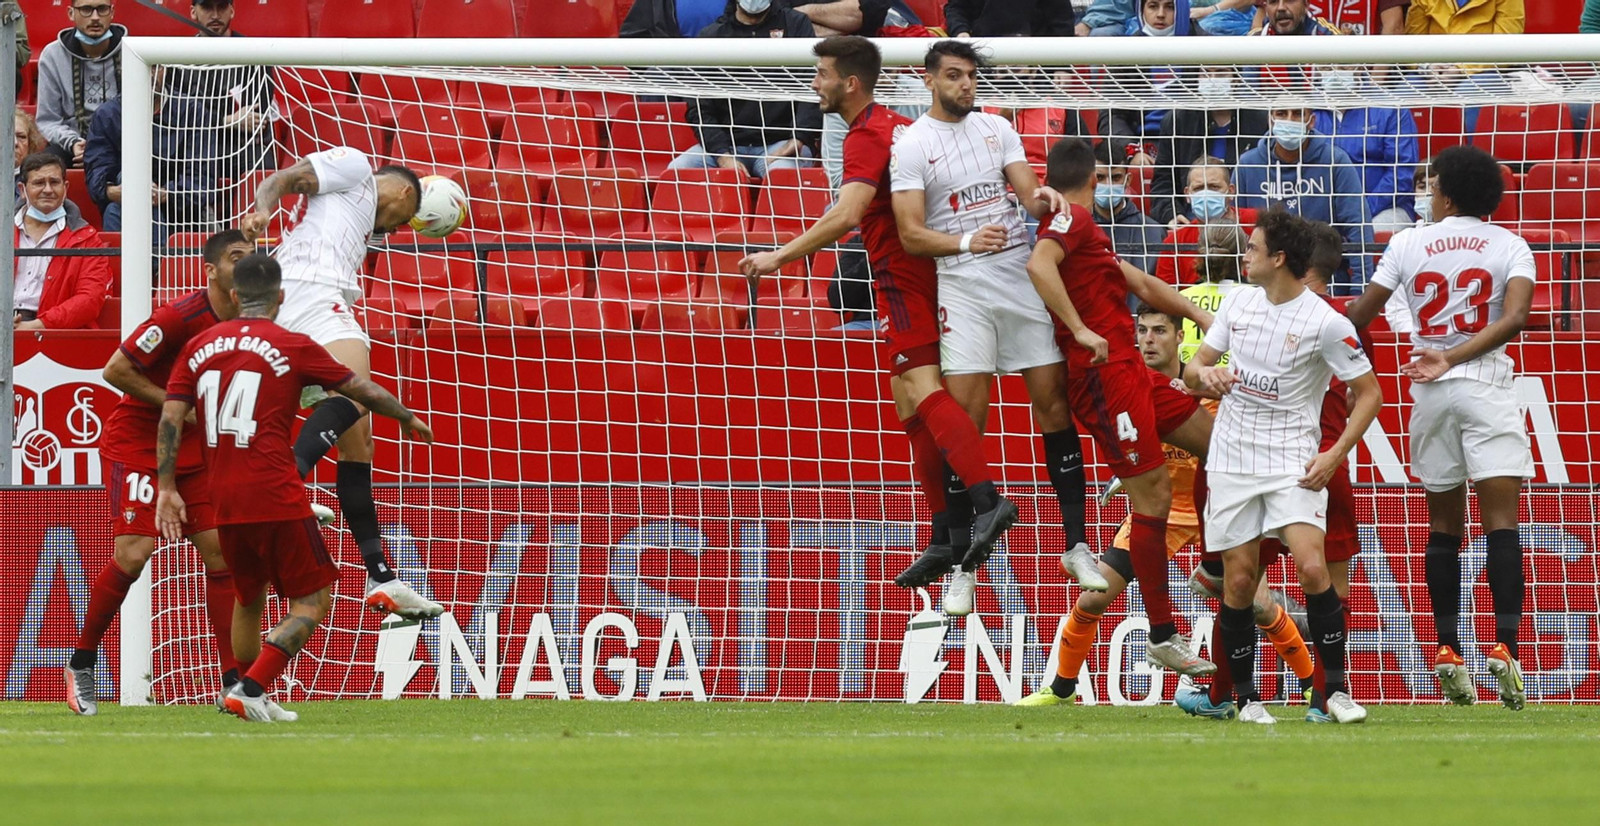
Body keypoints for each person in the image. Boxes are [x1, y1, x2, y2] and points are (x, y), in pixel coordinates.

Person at [742, 36, 1018, 590]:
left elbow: (847, 214)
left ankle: (988, 501)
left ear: (849, 83)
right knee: (907, 401)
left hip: (901, 273)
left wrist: (778, 256)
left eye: (821, 74)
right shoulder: (897, 125)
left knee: (921, 387)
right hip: (926, 270)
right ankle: (944, 533)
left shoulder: (866, 135)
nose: (815, 84)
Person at [156, 253, 435, 722]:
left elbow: (169, 417)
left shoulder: (199, 345)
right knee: (314, 599)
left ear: (235, 296)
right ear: (281, 297)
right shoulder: (292, 344)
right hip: (275, 491)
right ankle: (252, 689)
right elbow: (359, 390)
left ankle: (243, 689)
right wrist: (405, 415)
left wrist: (166, 486)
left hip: (221, 493)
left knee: (249, 598)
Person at [889, 40, 1106, 617]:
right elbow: (910, 234)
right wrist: (965, 240)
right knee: (966, 422)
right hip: (961, 285)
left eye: (970, 76)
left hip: (1016, 277)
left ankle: (1077, 545)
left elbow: (1028, 194)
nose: (965, 85)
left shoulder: (997, 127)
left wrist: (1045, 198)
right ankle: (964, 567)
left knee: (1053, 405)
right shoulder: (912, 145)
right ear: (929, 79)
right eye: (953, 75)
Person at [1018, 303, 1316, 707]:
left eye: (1159, 330)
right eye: (1142, 331)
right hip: (1161, 512)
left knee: (1260, 606)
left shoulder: (1206, 387)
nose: (1148, 340)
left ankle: (1312, 682)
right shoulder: (1127, 389)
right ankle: (1061, 688)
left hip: (1216, 511)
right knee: (1093, 598)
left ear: (1180, 337)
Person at [1344, 145, 1535, 711]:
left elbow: (1361, 314)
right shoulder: (1511, 244)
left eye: (1431, 188)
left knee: (1443, 526)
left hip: (1428, 390)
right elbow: (1516, 318)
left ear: (1446, 195)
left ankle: (1448, 647)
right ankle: (1505, 645)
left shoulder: (1407, 243)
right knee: (1501, 522)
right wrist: (1455, 356)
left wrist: (1338, 357)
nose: (1427, 195)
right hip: (1486, 384)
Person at [1023, 137, 1222, 678]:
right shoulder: (1071, 221)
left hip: (1131, 371)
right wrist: (1079, 328)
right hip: (1104, 378)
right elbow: (1039, 265)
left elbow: (1139, 281)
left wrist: (1201, 317)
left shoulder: (1087, 232)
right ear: (1093, 179)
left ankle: (1210, 565)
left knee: (1220, 447)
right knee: (1154, 496)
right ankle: (1162, 634)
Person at [1184, 211, 1382, 725]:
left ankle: (1334, 692)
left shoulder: (1326, 322)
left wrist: (1334, 454)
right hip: (1232, 459)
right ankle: (1246, 700)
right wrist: (1207, 375)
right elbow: (1194, 368)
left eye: (1253, 248)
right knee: (1238, 582)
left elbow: (1370, 394)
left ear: (1278, 259)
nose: (1244, 255)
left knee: (1313, 568)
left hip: (1293, 459)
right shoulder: (1238, 303)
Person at [239, 147, 443, 620]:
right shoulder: (356, 168)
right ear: (404, 193)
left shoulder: (362, 220)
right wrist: (263, 209)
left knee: (358, 443)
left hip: (301, 299)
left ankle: (380, 576)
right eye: (403, 220)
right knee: (358, 395)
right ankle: (284, 487)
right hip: (310, 292)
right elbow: (285, 178)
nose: (395, 230)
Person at [62, 231, 253, 718]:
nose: (246, 264)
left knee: (220, 551)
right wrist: (176, 404)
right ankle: (80, 663)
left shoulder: (251, 322)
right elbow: (115, 370)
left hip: (195, 450)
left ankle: (232, 682)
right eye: (236, 257)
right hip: (138, 444)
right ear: (210, 270)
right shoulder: (177, 318)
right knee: (134, 552)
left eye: (251, 257)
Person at [666, 2, 821, 178]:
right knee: (677, 170)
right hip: (727, 146)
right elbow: (699, 108)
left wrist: (800, 138)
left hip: (781, 143)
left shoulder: (795, 24)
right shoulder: (711, 36)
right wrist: (722, 155)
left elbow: (814, 86)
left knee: (782, 176)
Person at [1233, 105, 1374, 291]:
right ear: (1270, 119)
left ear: (1311, 121)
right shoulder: (1247, 164)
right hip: (1263, 282)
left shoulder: (1336, 161)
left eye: (1298, 114)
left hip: (1324, 281)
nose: (1289, 120)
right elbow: (1235, 228)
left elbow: (1358, 226)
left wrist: (1360, 289)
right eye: (1281, 113)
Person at [162, 0, 278, 186]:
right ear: (193, 12)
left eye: (222, 7)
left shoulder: (255, 53)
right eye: (207, 7)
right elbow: (177, 118)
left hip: (239, 146)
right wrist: (228, 121)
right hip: (193, 147)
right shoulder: (179, 58)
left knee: (263, 166)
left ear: (231, 11)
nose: (215, 15)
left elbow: (255, 118)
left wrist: (206, 120)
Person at [1149, 68, 1269, 225]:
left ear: (1236, 78)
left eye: (1221, 73)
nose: (1212, 79)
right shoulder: (1177, 122)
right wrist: (1171, 215)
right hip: (1191, 221)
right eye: (1205, 73)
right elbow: (1163, 181)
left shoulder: (1260, 122)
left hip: (1244, 222)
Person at [1309, 65, 1420, 235]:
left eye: (1343, 66)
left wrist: (1361, 210)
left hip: (1385, 207)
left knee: (1372, 233)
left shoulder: (1390, 108)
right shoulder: (1305, 111)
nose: (1335, 73)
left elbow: (1402, 172)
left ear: (1360, 66)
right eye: (1327, 67)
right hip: (1321, 210)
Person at [12, 152, 109, 331]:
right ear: (22, 189)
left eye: (54, 182)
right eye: (39, 183)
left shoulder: (88, 239)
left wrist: (39, 325)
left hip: (56, 334)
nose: (48, 190)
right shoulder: (4, 232)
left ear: (66, 187)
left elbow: (90, 299)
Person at [35, 1, 125, 167]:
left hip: (124, 143)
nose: (95, 17)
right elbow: (48, 120)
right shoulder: (53, 55)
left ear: (112, 12)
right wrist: (74, 143)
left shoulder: (133, 51)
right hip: (73, 142)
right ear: (71, 13)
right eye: (86, 9)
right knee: (43, 166)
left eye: (102, 9)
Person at [1156, 157, 1258, 286]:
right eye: (1198, 188)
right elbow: (1165, 294)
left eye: (1214, 187)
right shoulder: (1174, 243)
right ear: (1187, 194)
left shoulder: (1258, 223)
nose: (1205, 194)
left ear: (1231, 191)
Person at [1090, 139, 1166, 279]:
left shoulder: (1153, 232)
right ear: (1090, 180)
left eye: (1116, 178)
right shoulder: (1079, 228)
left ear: (1128, 180)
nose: (1108, 184)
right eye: (1100, 177)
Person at [945, 0, 1077, 37]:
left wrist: (1062, 67)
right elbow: (956, 8)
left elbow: (1061, 18)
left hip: (1036, 65)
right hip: (983, 59)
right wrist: (960, 31)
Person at [1405, 0, 1524, 34]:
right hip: (1433, 69)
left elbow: (1507, 45)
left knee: (1467, 87)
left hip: (1484, 67)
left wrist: (1461, 69)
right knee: (1406, 87)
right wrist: (1427, 66)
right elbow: (1413, 44)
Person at [1251, 0, 1341, 34]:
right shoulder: (1256, 40)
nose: (1281, 8)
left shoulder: (1326, 35)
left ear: (1306, 4)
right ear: (1266, 7)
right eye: (1273, 2)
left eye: (1289, 0)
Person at [14, 111, 48, 194]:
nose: (15, 143)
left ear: (31, 143)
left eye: (21, 137)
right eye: (4, 135)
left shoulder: (45, 181)